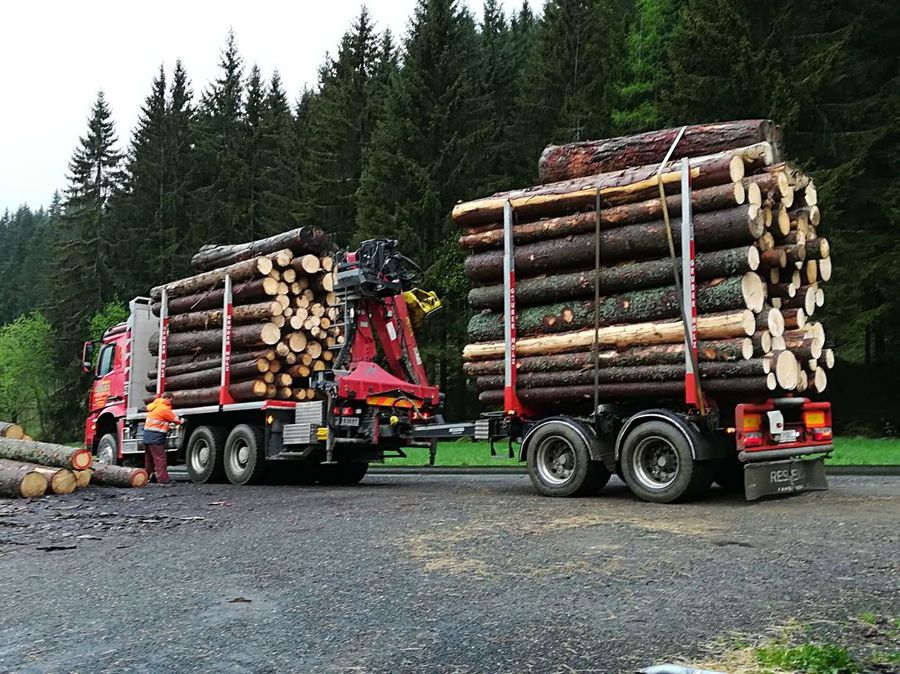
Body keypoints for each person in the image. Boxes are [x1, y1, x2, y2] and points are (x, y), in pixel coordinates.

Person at [143, 392, 182, 485]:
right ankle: (163, 479)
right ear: (167, 398)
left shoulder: (155, 405)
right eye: (171, 400)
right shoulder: (164, 409)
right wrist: (184, 420)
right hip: (156, 437)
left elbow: (149, 410)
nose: (172, 402)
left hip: (147, 435)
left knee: (149, 459)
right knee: (160, 458)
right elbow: (177, 420)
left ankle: (146, 478)